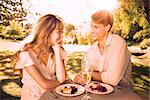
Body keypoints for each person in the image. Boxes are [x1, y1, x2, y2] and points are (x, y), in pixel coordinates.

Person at [74, 10, 132, 89]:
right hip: (98, 92)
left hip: (121, 93)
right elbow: (85, 74)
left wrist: (90, 74)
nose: (91, 30)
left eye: (96, 27)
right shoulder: (91, 50)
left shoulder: (118, 43)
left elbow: (113, 79)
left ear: (107, 27)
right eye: (91, 26)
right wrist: (80, 78)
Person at [14, 14, 67, 100]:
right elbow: (45, 84)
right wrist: (61, 82)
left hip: (52, 96)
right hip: (33, 97)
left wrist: (57, 50)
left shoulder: (58, 51)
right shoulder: (26, 53)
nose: (62, 35)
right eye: (58, 31)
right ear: (47, 31)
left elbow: (61, 77)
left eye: (62, 32)